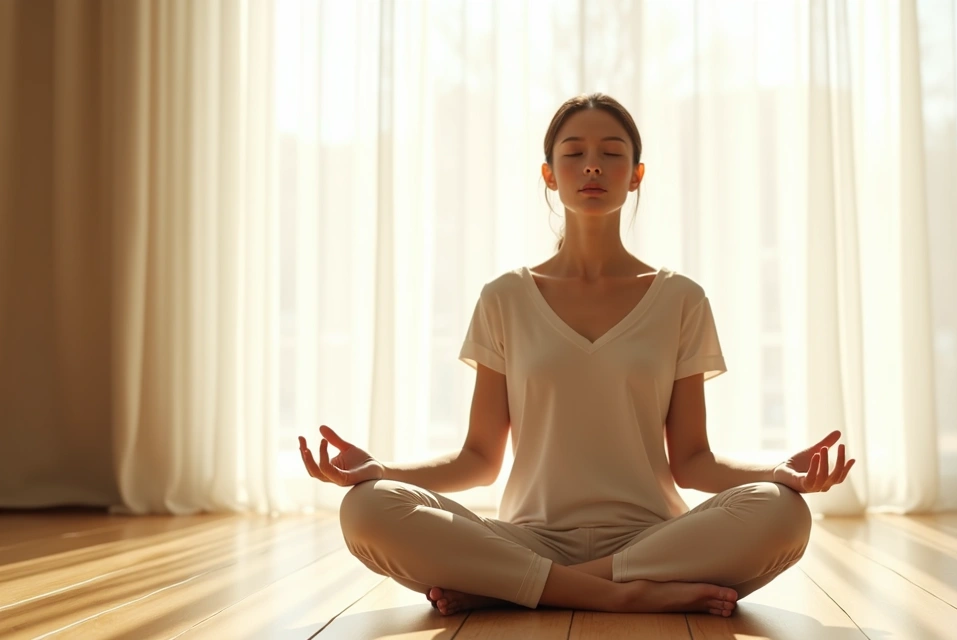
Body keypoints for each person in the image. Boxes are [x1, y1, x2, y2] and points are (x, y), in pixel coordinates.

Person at [298, 93, 855, 618]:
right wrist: (381, 470)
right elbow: (479, 458)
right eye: (575, 154)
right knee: (367, 508)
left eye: (612, 154)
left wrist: (779, 473)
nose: (593, 166)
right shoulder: (505, 298)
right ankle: (617, 596)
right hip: (527, 537)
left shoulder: (681, 299)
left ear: (636, 176)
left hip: (654, 540)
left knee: (782, 512)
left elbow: (691, 461)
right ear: (549, 174)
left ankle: (517, 588)